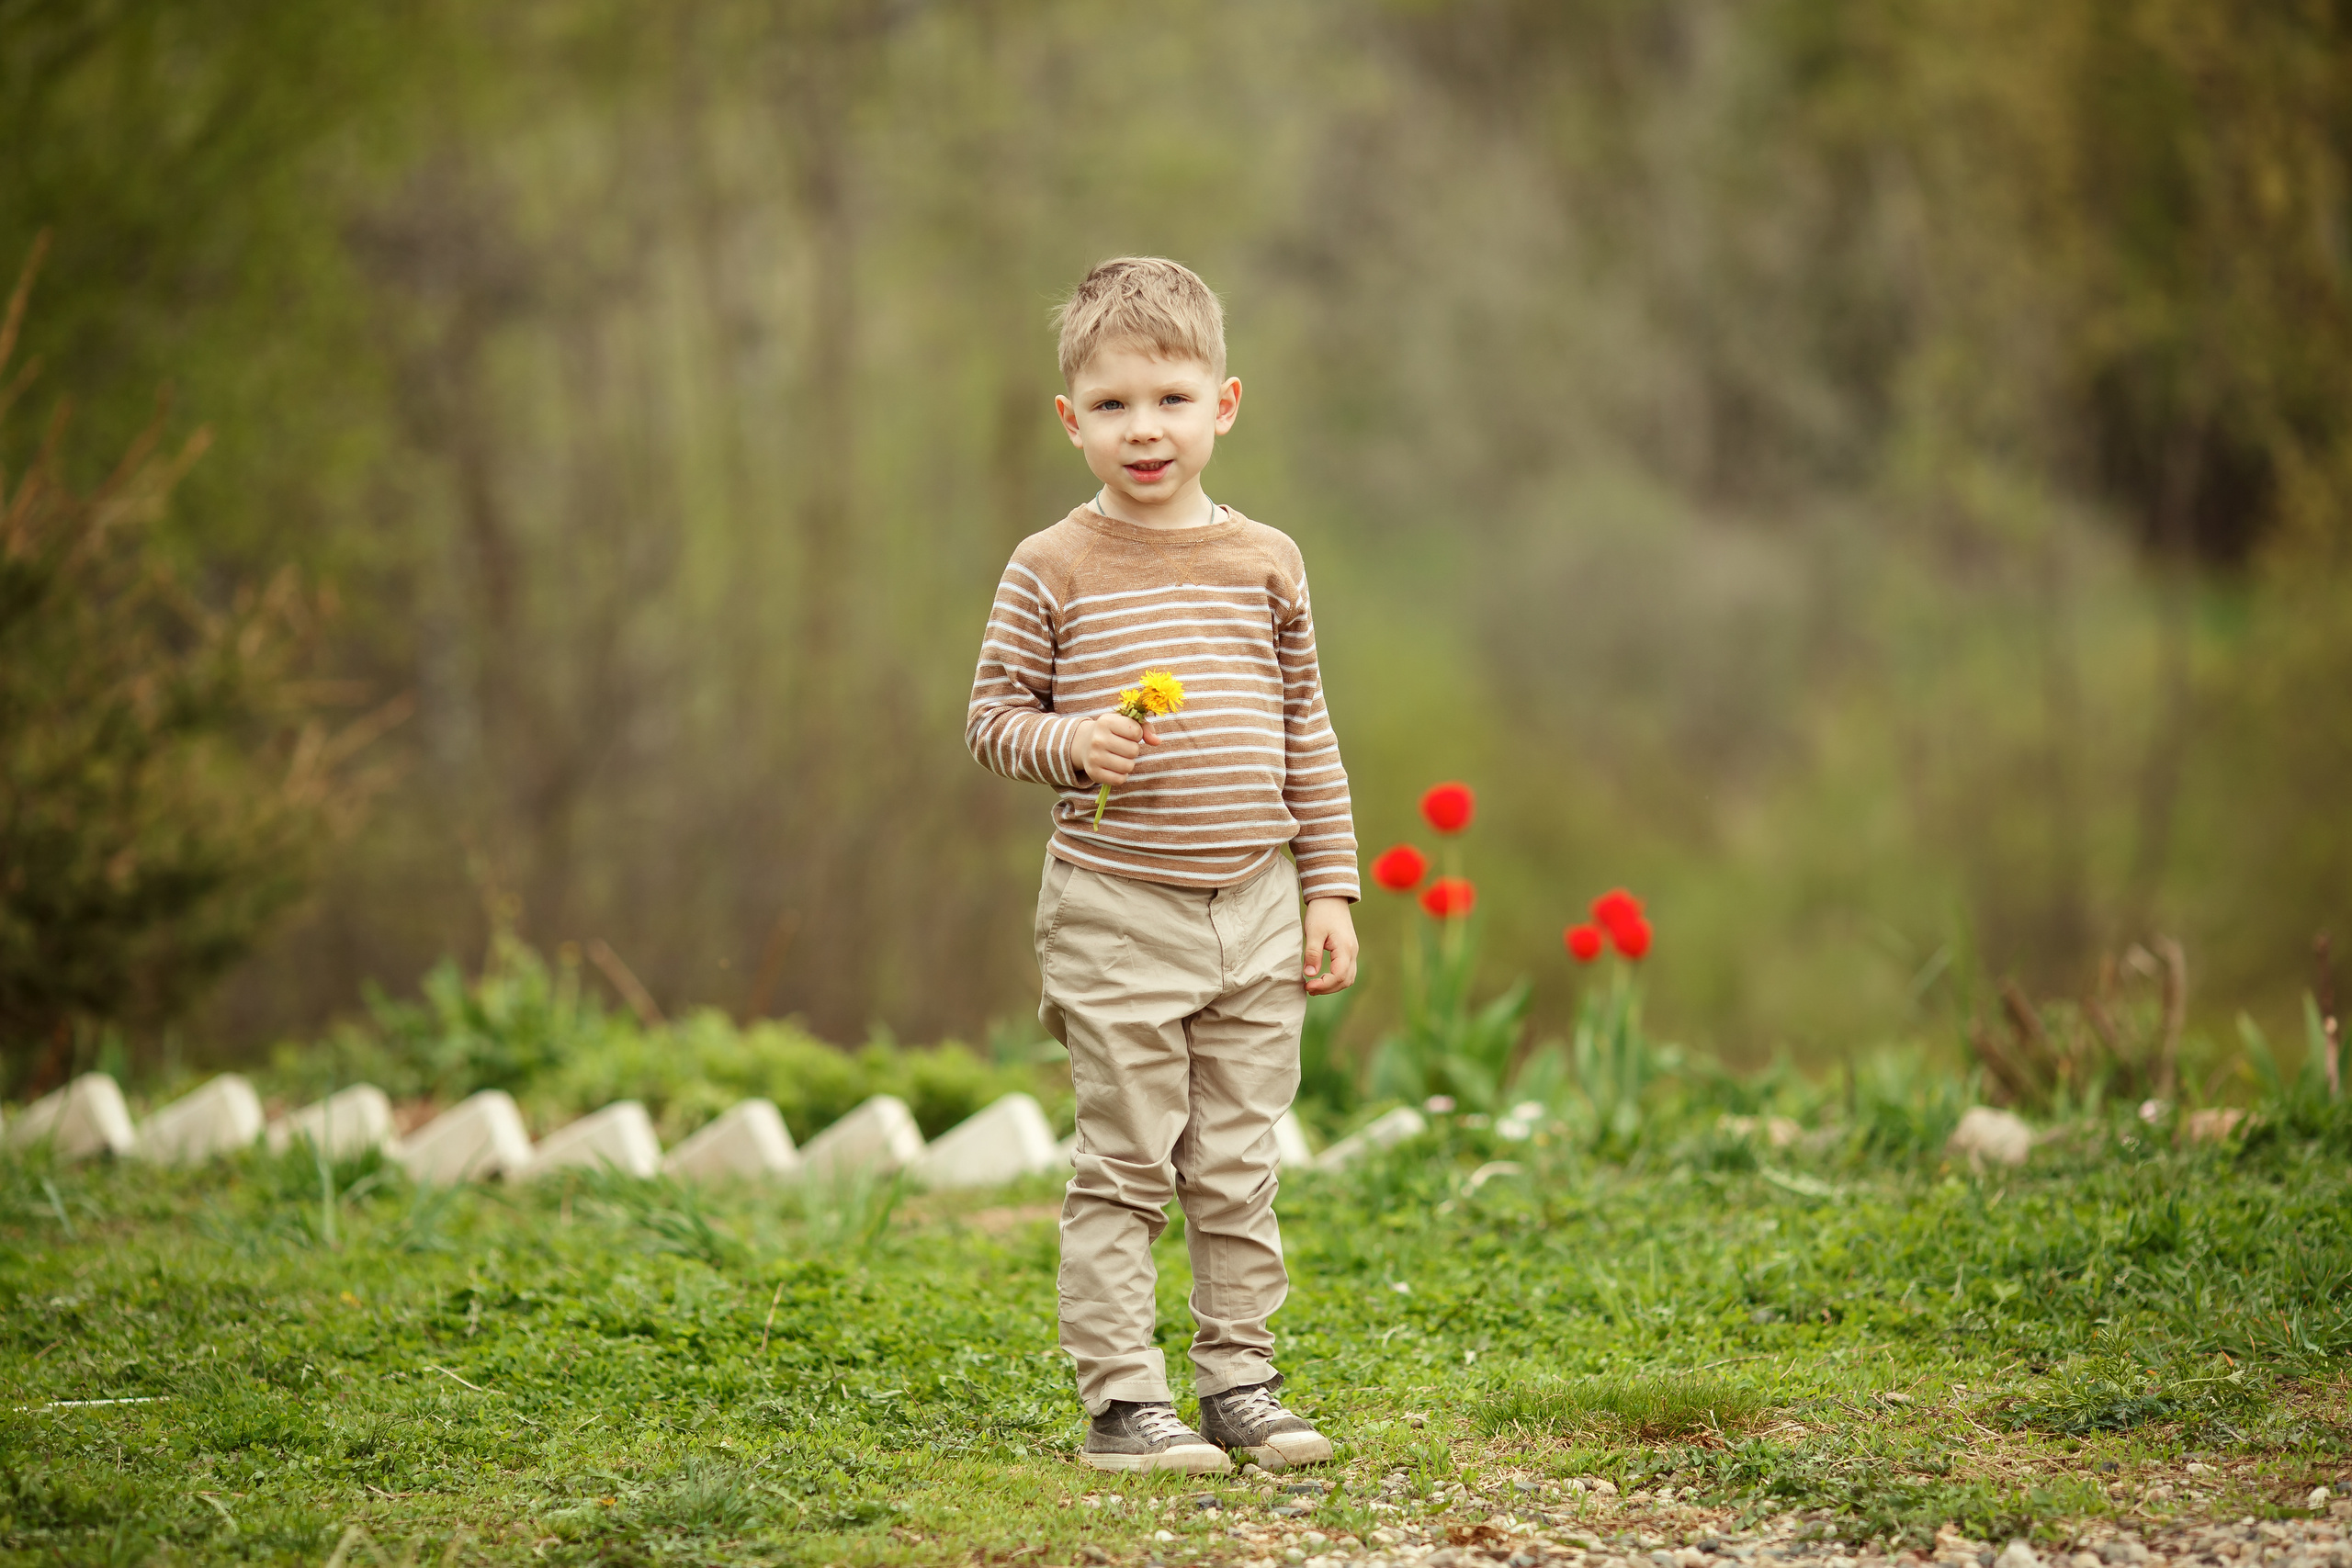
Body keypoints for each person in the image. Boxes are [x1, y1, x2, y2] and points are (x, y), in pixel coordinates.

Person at [964, 256, 1361, 1474]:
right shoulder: (1053, 565)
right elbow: (989, 721)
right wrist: (1070, 742)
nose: (1147, 430)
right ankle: (1124, 1403)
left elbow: (1308, 730)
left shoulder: (1268, 561)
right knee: (1129, 1162)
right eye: (1117, 405)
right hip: (1116, 909)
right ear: (1071, 418)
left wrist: (1331, 888)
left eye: (1172, 400)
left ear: (1223, 405)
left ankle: (1241, 1381)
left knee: (1238, 1164)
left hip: (1258, 900)